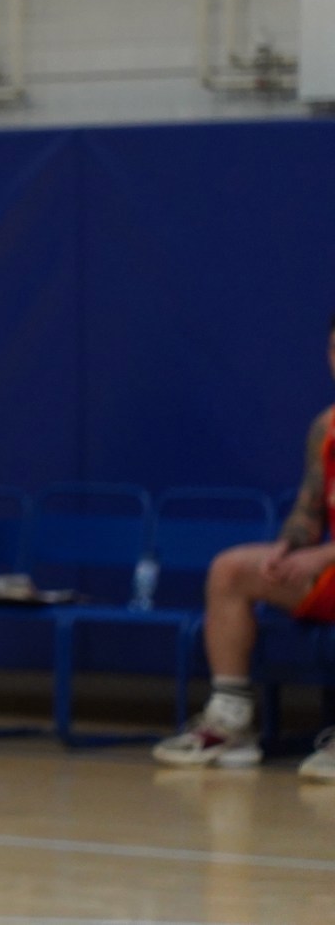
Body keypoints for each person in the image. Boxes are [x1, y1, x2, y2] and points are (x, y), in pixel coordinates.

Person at [153, 312, 335, 780]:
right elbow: (309, 510)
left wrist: (322, 555)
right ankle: (231, 719)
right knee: (231, 569)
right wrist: (288, 547)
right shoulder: (327, 427)